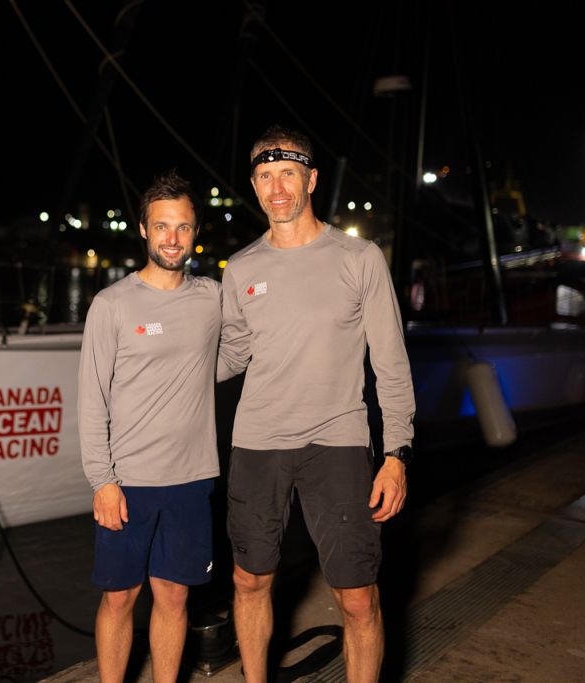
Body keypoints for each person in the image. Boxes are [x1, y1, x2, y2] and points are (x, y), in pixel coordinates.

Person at [217, 124, 415, 683]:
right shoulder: (242, 269)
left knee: (356, 598)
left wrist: (397, 453)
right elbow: (230, 356)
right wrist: (165, 357)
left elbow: (391, 363)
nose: (276, 188)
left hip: (339, 441)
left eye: (286, 174)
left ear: (311, 178)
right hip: (257, 443)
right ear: (253, 185)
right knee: (249, 580)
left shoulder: (359, 257)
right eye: (263, 176)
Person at [79, 170, 221, 683]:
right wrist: (103, 480)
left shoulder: (212, 298)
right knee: (119, 598)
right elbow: (91, 397)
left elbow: (232, 354)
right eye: (162, 227)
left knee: (175, 595)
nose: (172, 238)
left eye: (182, 227)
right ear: (143, 229)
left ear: (195, 231)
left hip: (191, 479)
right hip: (128, 480)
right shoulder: (112, 305)